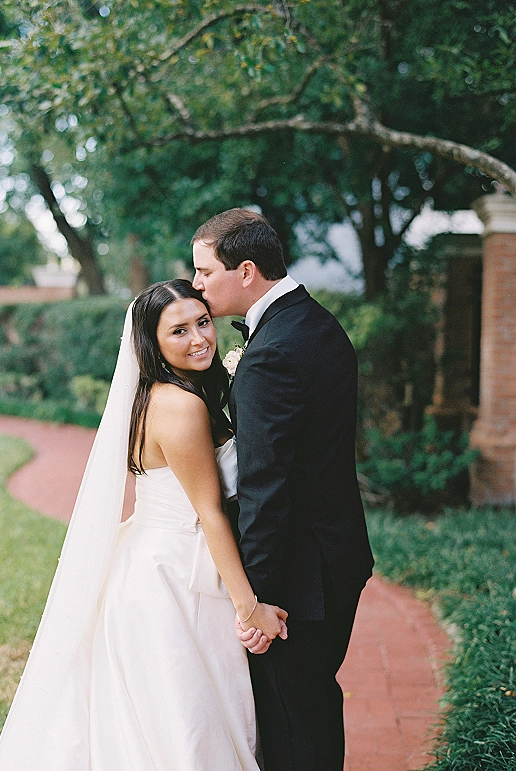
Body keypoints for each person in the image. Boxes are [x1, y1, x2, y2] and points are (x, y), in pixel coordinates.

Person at [0, 279, 287, 771]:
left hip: (148, 561)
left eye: (203, 322)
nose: (199, 339)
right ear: (152, 343)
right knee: (185, 723)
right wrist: (248, 608)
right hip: (175, 578)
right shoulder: (181, 406)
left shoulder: (157, 394)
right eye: (179, 331)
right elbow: (209, 513)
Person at [192, 209, 375, 771]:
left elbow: (266, 487)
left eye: (204, 271)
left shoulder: (272, 353)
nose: (196, 284)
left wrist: (260, 598)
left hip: (299, 577)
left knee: (294, 722)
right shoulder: (314, 322)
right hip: (333, 554)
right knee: (313, 706)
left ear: (246, 271)